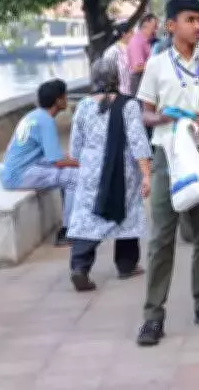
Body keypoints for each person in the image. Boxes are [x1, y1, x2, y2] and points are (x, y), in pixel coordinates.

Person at [136, 0, 199, 346]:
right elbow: (144, 113)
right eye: (190, 19)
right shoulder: (157, 64)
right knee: (162, 235)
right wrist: (165, 116)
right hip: (169, 156)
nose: (197, 26)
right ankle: (153, 315)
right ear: (171, 25)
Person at [66, 58, 152, 292]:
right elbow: (138, 142)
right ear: (117, 77)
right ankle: (126, 265)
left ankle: (80, 267)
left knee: (88, 218)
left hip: (91, 171)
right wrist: (146, 175)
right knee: (127, 214)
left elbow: (74, 148)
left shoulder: (83, 106)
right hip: (122, 173)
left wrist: (86, 163)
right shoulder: (129, 105)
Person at [0, 79, 79, 246]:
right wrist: (81, 163)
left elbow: (51, 157)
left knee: (68, 168)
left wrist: (71, 160)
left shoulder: (33, 116)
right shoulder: (46, 121)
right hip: (20, 174)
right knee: (73, 177)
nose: (67, 99)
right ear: (58, 100)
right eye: (65, 96)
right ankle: (67, 230)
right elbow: (57, 161)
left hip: (13, 171)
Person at [127, 14, 160, 97]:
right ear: (145, 24)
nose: (156, 29)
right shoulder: (137, 42)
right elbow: (137, 68)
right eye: (154, 26)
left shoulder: (151, 41)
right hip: (139, 82)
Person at [102, 22, 135, 95]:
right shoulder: (112, 51)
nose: (134, 34)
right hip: (119, 92)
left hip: (133, 91)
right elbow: (107, 71)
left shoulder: (133, 48)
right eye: (131, 32)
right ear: (124, 34)